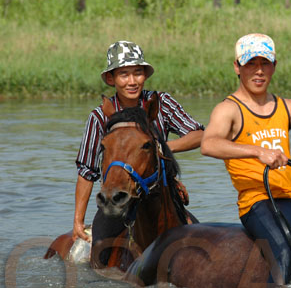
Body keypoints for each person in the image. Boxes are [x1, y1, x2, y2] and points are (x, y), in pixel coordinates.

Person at [200, 33, 291, 288]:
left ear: (274, 66)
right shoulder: (228, 109)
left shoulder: (288, 107)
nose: (259, 71)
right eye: (251, 64)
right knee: (284, 254)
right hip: (257, 203)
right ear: (237, 67)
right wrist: (257, 151)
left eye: (265, 64)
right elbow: (209, 144)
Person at [72, 40, 204, 244]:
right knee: (100, 252)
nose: (132, 81)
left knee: (199, 240)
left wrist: (162, 149)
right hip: (118, 197)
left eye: (137, 73)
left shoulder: (161, 103)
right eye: (124, 74)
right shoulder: (99, 117)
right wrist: (78, 222)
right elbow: (87, 172)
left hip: (161, 196)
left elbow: (199, 135)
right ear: (111, 78)